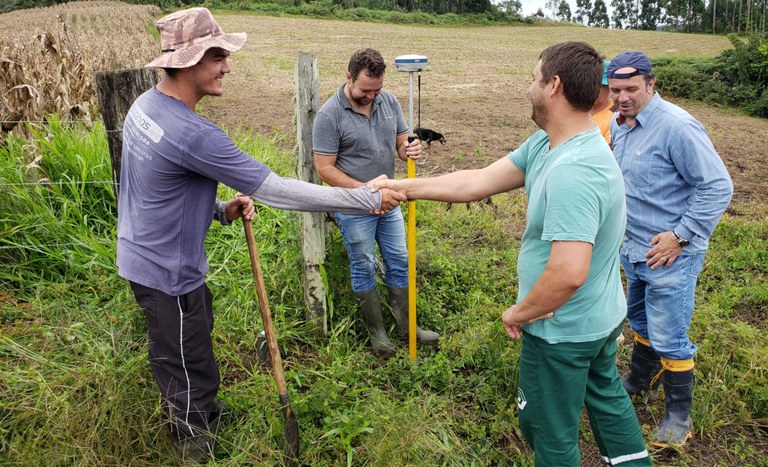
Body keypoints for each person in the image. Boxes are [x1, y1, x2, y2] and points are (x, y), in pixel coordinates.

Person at [117, 8, 404, 462]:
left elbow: (152, 188)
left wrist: (217, 210)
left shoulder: (145, 107)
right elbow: (277, 191)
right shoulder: (193, 133)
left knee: (195, 338)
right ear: (187, 62)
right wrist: (366, 198)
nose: (227, 67)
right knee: (179, 355)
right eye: (217, 57)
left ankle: (205, 410)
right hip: (165, 268)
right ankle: (193, 437)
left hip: (148, 253)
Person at [371, 41, 650, 466]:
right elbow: (477, 181)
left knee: (548, 431)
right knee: (608, 401)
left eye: (534, 79)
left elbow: (568, 272)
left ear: (554, 85)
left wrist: (519, 312)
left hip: (560, 331)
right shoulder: (550, 144)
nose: (529, 88)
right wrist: (401, 187)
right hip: (595, 319)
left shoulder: (574, 170)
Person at [608, 51, 733, 448]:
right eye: (616, 90)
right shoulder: (619, 123)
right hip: (634, 249)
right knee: (640, 321)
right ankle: (640, 380)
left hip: (671, 255)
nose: (623, 97)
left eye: (631, 89)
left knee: (670, 334)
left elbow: (717, 186)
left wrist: (680, 236)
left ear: (651, 84)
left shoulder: (677, 127)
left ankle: (679, 416)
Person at [312, 48, 439, 356]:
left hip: (389, 201)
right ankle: (377, 334)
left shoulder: (389, 102)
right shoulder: (330, 115)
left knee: (399, 259)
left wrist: (408, 150)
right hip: (354, 206)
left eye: (376, 90)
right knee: (363, 264)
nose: (371, 97)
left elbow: (401, 143)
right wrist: (365, 192)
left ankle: (407, 326)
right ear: (348, 77)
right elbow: (324, 168)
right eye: (365, 91)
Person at [591, 60, 614, 145]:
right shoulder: (577, 108)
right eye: (592, 84)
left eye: (601, 86)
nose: (595, 90)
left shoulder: (616, 114)